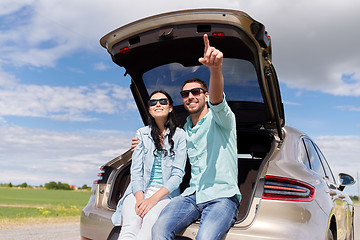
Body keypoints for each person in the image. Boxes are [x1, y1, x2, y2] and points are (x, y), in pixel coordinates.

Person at [132, 34, 241, 239]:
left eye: (196, 91)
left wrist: (215, 69)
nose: (190, 96)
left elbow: (218, 101)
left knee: (204, 237)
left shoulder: (222, 120)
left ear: (206, 95)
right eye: (185, 94)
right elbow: (165, 149)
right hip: (191, 196)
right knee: (159, 229)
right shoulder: (183, 132)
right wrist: (141, 143)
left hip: (221, 197)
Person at [112, 90, 187, 240]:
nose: (158, 104)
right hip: (138, 191)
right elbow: (136, 171)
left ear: (170, 107)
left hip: (165, 195)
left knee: (149, 227)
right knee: (129, 228)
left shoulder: (180, 135)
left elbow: (178, 175)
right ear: (149, 109)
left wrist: (152, 200)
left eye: (163, 101)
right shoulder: (141, 134)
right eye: (153, 102)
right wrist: (141, 199)